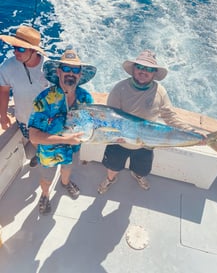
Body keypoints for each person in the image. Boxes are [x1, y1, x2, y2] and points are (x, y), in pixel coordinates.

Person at [97, 50, 205, 194]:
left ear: (154, 73)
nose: (143, 71)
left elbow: (170, 117)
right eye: (140, 67)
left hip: (146, 142)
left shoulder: (159, 92)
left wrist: (192, 133)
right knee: (113, 167)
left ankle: (137, 176)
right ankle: (110, 179)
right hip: (119, 141)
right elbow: (111, 117)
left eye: (148, 69)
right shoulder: (119, 89)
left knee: (142, 169)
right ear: (133, 69)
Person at [28, 49, 96, 215]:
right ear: (58, 72)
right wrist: (67, 140)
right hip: (48, 151)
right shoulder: (44, 99)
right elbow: (33, 136)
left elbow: (92, 124)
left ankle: (65, 183)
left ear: (80, 75)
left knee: (67, 169)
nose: (70, 73)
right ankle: (45, 195)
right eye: (66, 68)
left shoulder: (86, 98)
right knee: (46, 178)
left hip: (73, 149)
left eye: (75, 70)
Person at [0, 25, 49, 167]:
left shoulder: (49, 68)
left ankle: (46, 156)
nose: (16, 52)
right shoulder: (7, 67)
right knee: (34, 141)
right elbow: (3, 91)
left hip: (48, 119)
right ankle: (39, 154)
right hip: (24, 119)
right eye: (14, 47)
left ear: (34, 51)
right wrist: (3, 116)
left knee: (50, 143)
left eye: (21, 49)